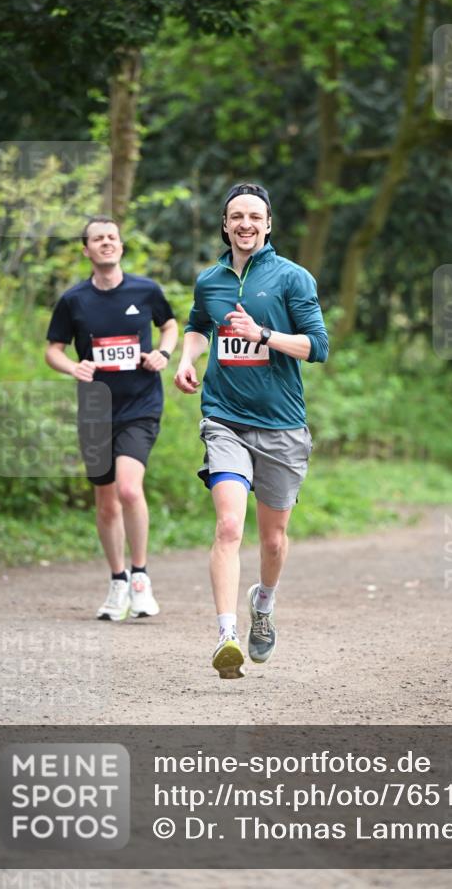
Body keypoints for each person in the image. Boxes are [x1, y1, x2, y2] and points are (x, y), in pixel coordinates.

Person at [175, 182, 329, 679]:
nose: (244, 224)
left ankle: (262, 603)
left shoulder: (292, 279)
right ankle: (226, 635)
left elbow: (318, 346)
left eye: (254, 217)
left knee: (274, 540)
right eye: (235, 216)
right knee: (227, 526)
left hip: (282, 425)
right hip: (224, 418)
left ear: (268, 225)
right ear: (225, 225)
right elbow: (199, 325)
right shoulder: (210, 281)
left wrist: (262, 334)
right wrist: (186, 359)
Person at [45, 216, 178, 621]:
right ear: (86, 250)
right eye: (98, 239)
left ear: (120, 246)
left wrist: (163, 353)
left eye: (112, 237)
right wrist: (73, 368)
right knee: (105, 504)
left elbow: (170, 325)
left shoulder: (146, 290)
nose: (106, 243)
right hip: (96, 410)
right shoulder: (74, 300)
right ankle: (117, 580)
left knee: (129, 490)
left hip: (140, 405)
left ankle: (140, 577)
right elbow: (53, 349)